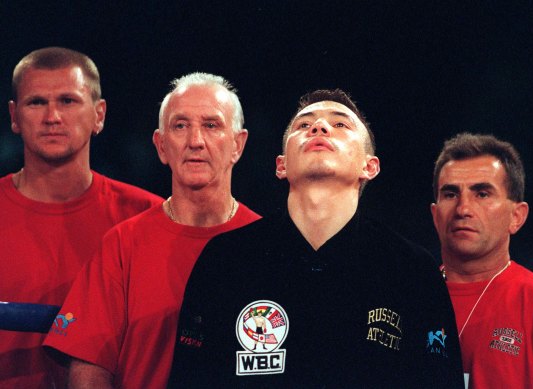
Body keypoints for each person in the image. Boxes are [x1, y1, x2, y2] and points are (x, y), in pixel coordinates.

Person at [169, 89, 464, 388]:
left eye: (340, 125)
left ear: (369, 166)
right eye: (303, 125)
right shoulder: (225, 260)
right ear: (281, 166)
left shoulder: (412, 271)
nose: (319, 128)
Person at [42, 72, 261, 389]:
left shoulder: (268, 244)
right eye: (180, 126)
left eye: (211, 125)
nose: (195, 141)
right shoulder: (123, 243)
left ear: (238, 145)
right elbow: (88, 370)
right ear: (161, 146)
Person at [0, 47, 162, 389]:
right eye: (36, 102)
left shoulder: (148, 217)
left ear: (99, 114)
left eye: (68, 101)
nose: (52, 117)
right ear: (14, 116)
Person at [430, 133, 533, 388]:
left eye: (482, 193)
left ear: (517, 216)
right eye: (450, 194)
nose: (463, 209)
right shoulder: (408, 297)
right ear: (435, 215)